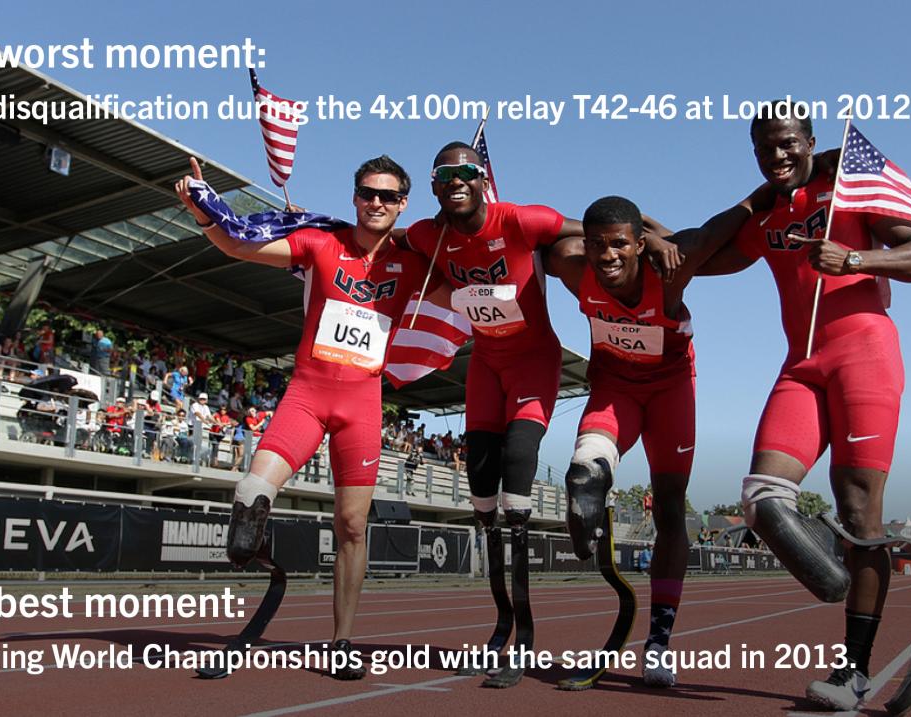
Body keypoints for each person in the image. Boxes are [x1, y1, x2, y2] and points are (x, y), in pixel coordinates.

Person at [688, 102, 911, 710]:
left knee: (859, 514)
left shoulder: (851, 193)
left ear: (810, 141)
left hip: (865, 354)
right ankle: (833, 577)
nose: (777, 155)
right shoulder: (768, 214)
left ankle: (852, 673)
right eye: (763, 149)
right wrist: (752, 202)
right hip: (801, 365)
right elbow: (697, 254)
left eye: (787, 144)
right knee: (762, 497)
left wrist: (857, 258)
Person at [399, 141, 679, 688]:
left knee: (519, 474)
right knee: (482, 495)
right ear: (433, 185)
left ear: (482, 180)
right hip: (485, 368)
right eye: (444, 174)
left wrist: (659, 237)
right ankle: (501, 617)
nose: (455, 181)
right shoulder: (427, 236)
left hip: (532, 363)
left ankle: (523, 634)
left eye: (466, 172)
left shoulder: (524, 220)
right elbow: (379, 248)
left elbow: (600, 228)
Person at [176, 153, 439, 679]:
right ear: (355, 196)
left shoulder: (416, 260)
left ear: (403, 203)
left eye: (388, 196)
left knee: (352, 525)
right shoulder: (321, 243)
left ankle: (341, 641)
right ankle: (251, 528)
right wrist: (202, 207)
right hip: (308, 394)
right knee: (252, 491)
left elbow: (468, 276)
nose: (377, 203)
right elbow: (237, 243)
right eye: (368, 192)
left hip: (361, 403)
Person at [546, 193, 763, 687]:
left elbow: (715, 238)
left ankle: (659, 642)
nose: (607, 256)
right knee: (584, 470)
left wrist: (760, 198)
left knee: (669, 509)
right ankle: (585, 503)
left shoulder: (668, 272)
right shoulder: (569, 265)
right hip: (615, 389)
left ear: (640, 246)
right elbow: (531, 235)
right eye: (597, 244)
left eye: (620, 244)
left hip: (669, 393)